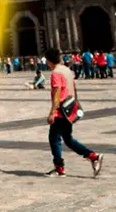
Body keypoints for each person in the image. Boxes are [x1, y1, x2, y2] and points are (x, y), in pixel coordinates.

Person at [44, 47, 104, 177]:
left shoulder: (56, 73)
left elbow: (57, 93)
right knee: (68, 139)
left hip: (61, 111)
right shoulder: (67, 70)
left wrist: (52, 113)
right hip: (70, 109)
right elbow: (74, 89)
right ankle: (93, 156)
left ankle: (59, 168)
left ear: (48, 61)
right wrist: (75, 106)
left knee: (54, 139)